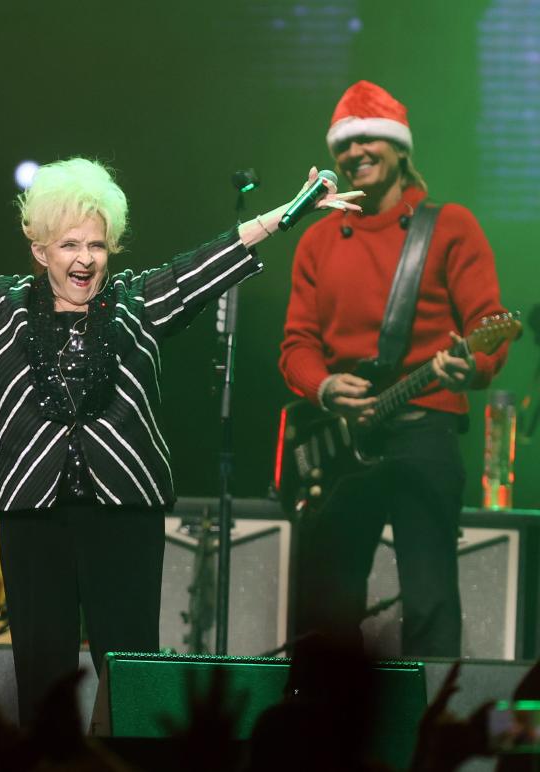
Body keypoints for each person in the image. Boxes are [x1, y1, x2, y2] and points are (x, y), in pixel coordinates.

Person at [0, 157, 359, 720]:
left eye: (97, 245)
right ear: (41, 252)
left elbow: (213, 256)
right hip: (32, 512)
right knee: (42, 669)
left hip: (126, 510)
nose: (85, 260)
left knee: (131, 667)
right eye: (71, 246)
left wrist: (290, 211)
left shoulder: (140, 305)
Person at [279, 80, 509, 657]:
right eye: (344, 145)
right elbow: (297, 345)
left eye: (369, 140)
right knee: (325, 612)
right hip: (343, 441)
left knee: (429, 602)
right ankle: (325, 737)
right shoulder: (317, 240)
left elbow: (488, 325)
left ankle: (430, 739)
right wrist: (325, 386)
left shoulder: (450, 225)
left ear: (401, 148)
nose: (355, 153)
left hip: (423, 428)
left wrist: (471, 363)